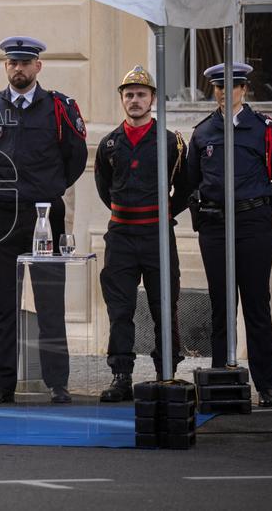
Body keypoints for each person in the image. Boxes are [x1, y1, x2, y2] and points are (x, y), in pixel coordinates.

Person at [0, 36, 87, 404]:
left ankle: (57, 383)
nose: (18, 68)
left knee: (50, 304)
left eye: (25, 62)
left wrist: (47, 189)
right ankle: (2, 384)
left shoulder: (59, 107)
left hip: (43, 215)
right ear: (6, 66)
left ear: (38, 66)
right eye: (12, 63)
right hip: (1, 217)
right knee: (4, 305)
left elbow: (75, 158)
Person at [187, 62, 272, 408]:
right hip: (216, 227)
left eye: (231, 86)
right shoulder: (203, 132)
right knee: (221, 306)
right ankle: (221, 379)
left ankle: (265, 385)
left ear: (243, 89)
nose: (224, 92)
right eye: (218, 87)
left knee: (256, 305)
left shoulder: (263, 129)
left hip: (252, 227)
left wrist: (258, 209)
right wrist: (203, 218)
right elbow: (191, 182)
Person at [94, 65, 190, 401]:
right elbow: (105, 188)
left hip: (157, 235)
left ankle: (166, 373)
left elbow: (185, 187)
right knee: (119, 309)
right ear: (122, 99)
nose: (135, 100)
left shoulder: (171, 142)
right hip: (121, 235)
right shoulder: (109, 144)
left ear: (153, 99)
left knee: (164, 305)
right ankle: (121, 375)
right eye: (129, 95)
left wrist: (160, 214)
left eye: (141, 94)